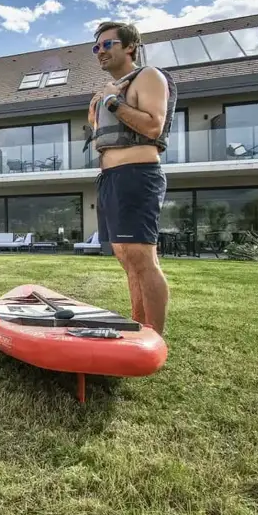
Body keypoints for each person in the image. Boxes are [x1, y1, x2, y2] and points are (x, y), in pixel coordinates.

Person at [88, 20, 177, 335]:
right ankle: (139, 326)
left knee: (142, 258)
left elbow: (153, 126)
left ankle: (154, 337)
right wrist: (101, 105)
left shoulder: (148, 76)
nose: (100, 51)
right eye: (96, 47)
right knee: (125, 257)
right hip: (111, 179)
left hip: (136, 176)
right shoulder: (111, 88)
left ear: (129, 46)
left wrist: (112, 101)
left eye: (107, 44)